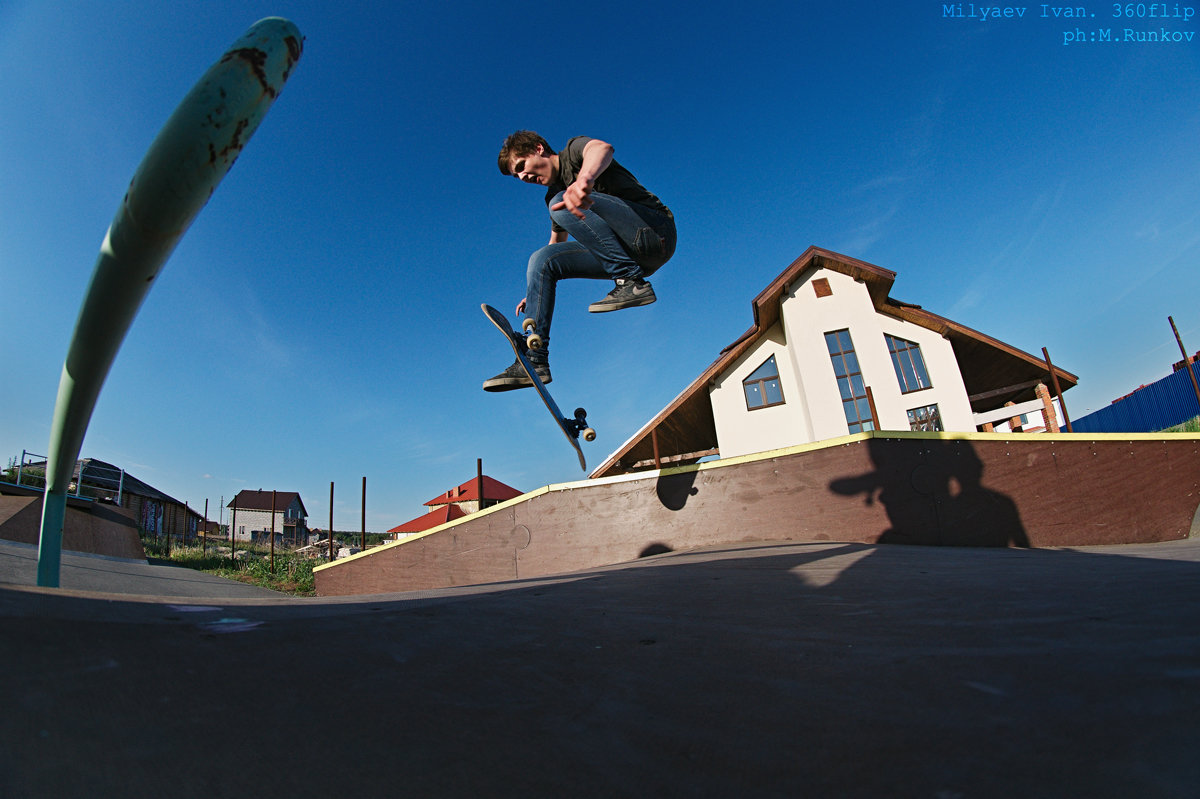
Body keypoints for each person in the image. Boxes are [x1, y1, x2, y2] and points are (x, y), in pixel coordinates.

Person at [483, 131, 676, 391]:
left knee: (560, 202)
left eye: (521, 166)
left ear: (538, 149)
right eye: (517, 177)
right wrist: (535, 290)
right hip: (632, 257)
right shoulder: (554, 194)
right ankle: (535, 359)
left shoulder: (573, 153)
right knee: (541, 259)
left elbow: (602, 149)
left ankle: (630, 282)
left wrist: (584, 179)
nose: (523, 177)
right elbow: (555, 246)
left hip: (654, 232)